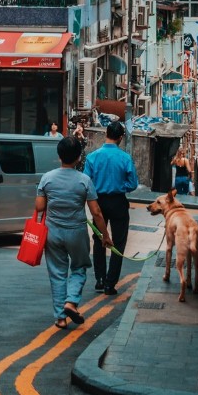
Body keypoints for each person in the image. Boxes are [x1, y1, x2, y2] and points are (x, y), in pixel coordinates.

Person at [35, 136, 111, 331]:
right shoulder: (84, 180)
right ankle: (71, 301)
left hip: (53, 232)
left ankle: (60, 318)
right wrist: (105, 236)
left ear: (59, 156)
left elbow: (40, 206)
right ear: (79, 158)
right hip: (76, 232)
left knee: (57, 273)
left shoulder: (47, 178)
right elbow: (96, 212)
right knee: (79, 267)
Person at [83, 121, 139, 295]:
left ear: (106, 134)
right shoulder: (125, 158)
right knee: (118, 242)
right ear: (121, 138)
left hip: (97, 201)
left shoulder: (92, 157)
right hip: (118, 201)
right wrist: (121, 186)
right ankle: (110, 283)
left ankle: (99, 279)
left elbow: (86, 182)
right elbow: (133, 184)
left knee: (99, 238)